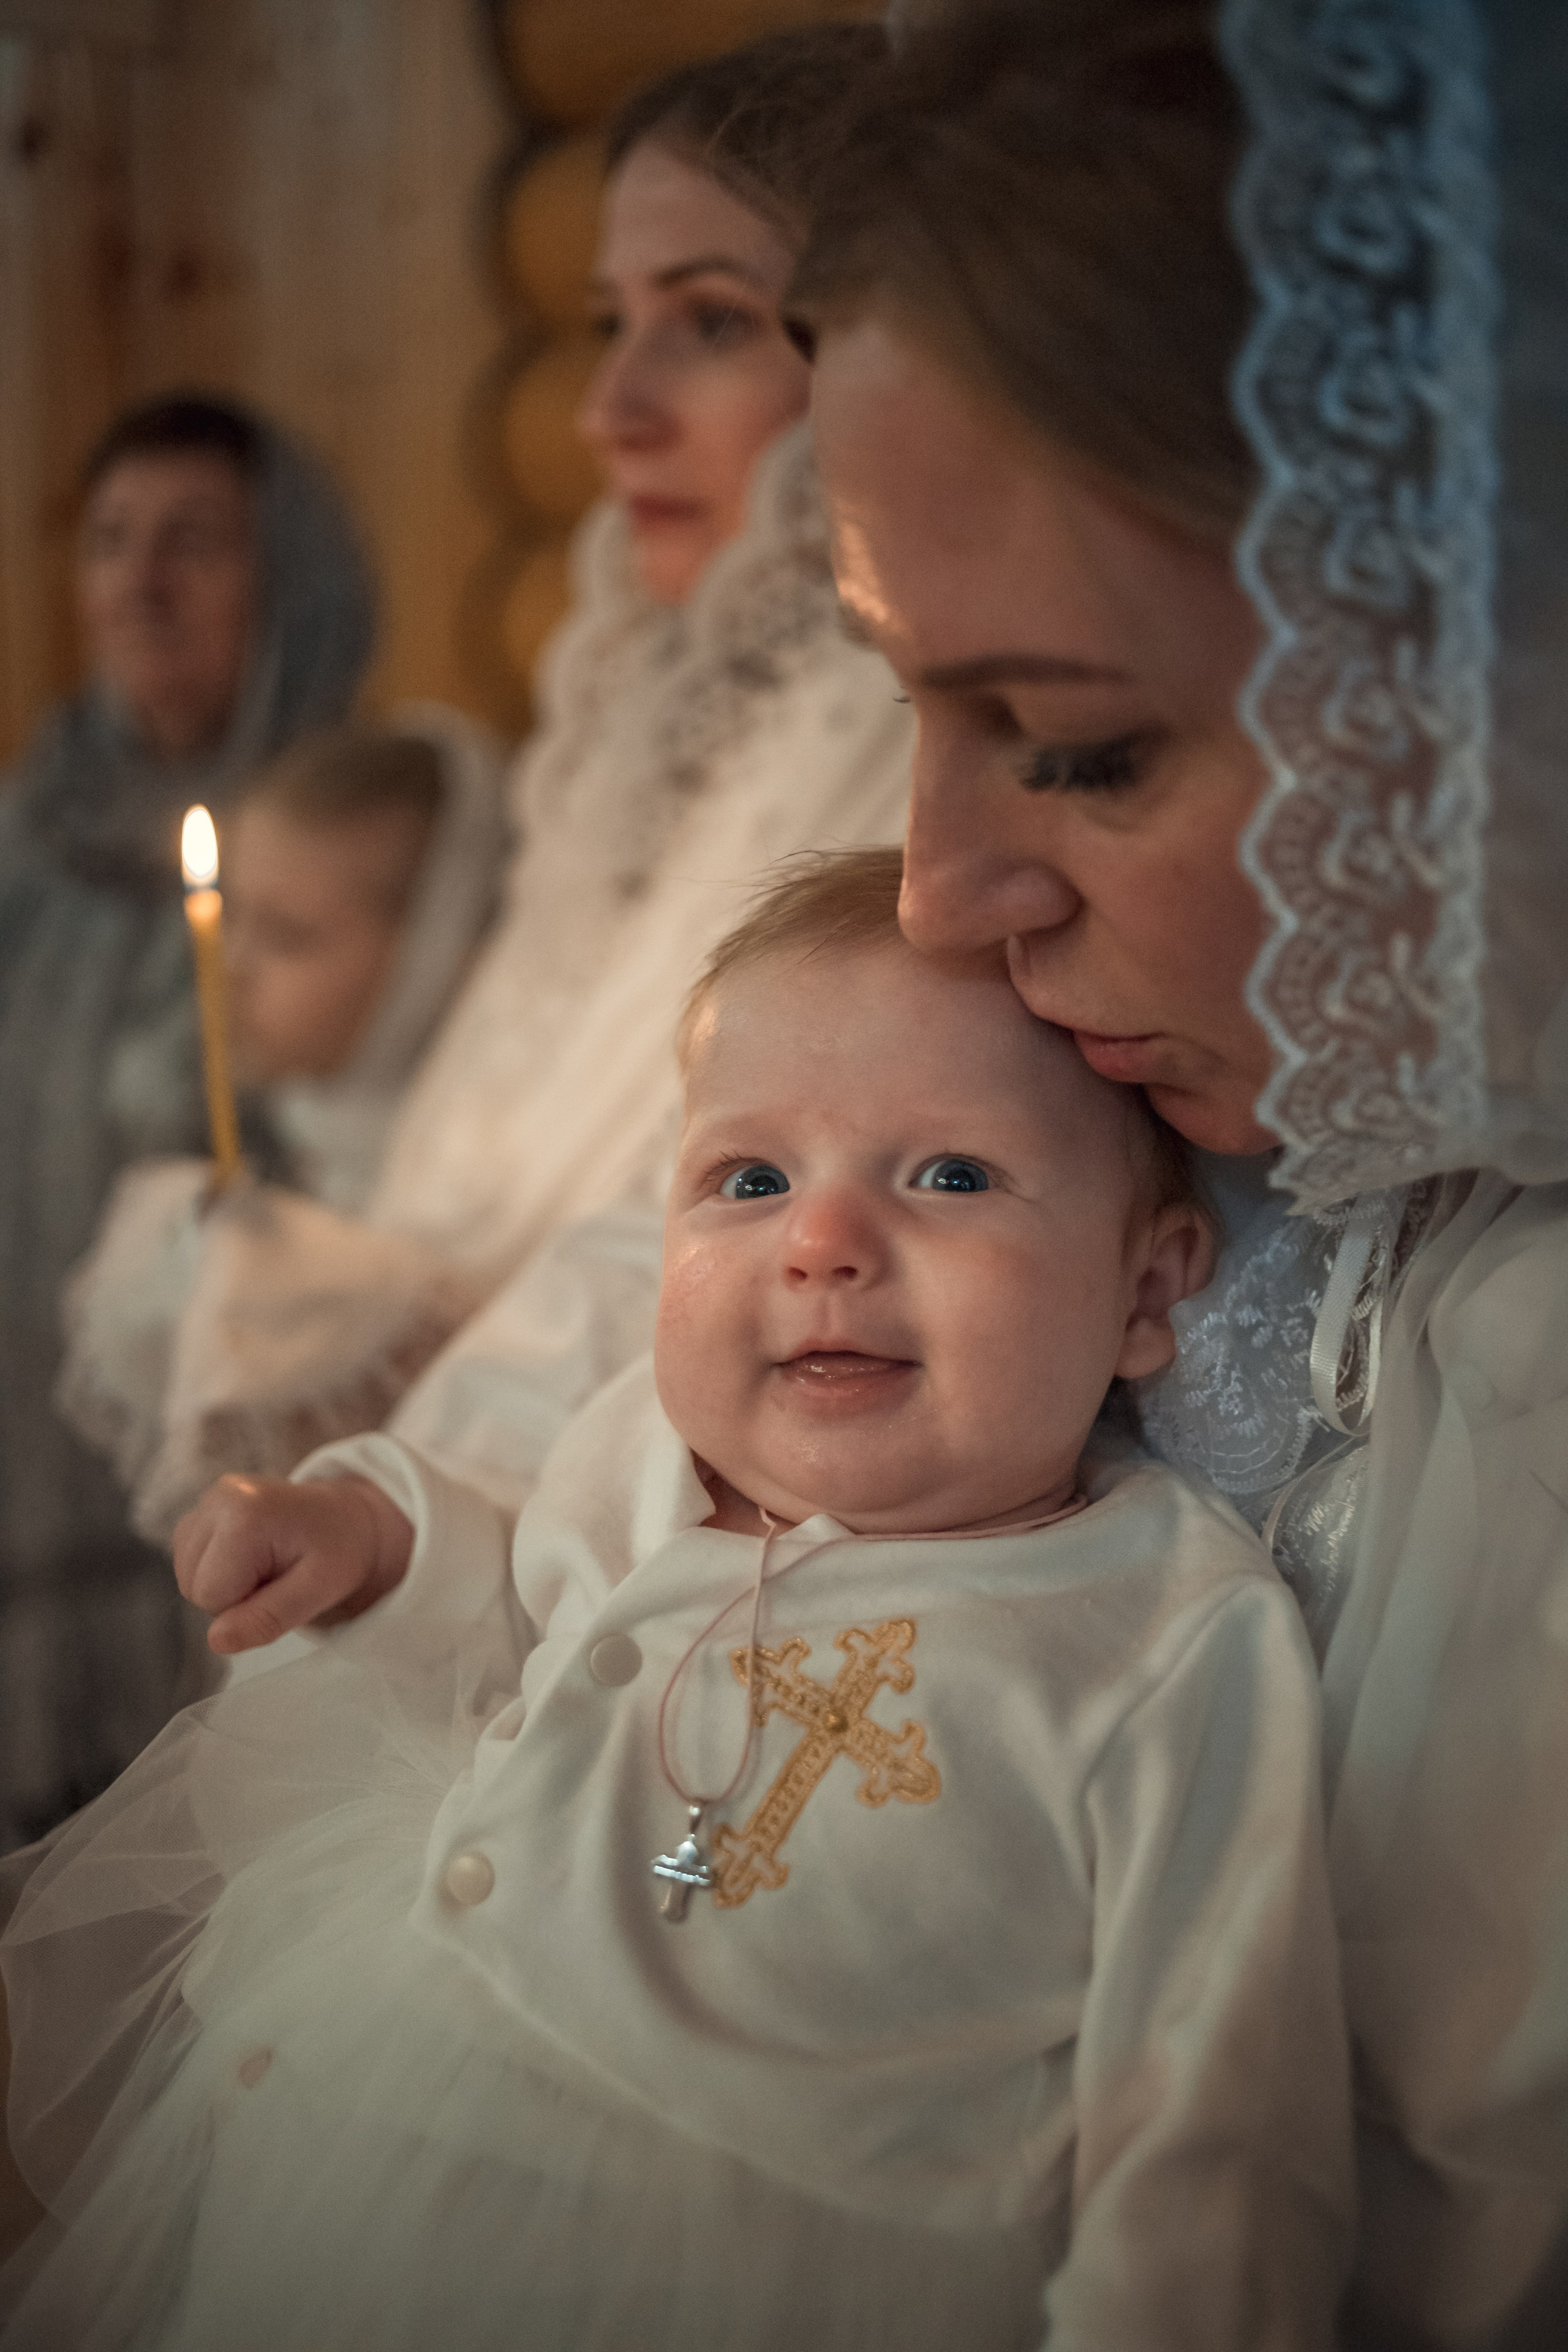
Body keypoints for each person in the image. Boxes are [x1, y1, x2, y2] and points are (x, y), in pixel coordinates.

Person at [0, 850, 1351, 2349]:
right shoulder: (643, 1453)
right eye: (750, 1181)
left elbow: (1216, 2096)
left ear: (1146, 1290)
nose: (819, 1245)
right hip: (364, 2134)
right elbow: (510, 1614)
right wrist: (374, 1544)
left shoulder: (1161, 1627)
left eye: (949, 1176)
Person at [790, 4, 1568, 2345]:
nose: (937, 897)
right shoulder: (1168, 1117)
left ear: (1485, 680)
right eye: (911, 707)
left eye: (1076, 745)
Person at [94, 26, 913, 1532]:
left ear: (884, 342)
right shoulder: (645, 751)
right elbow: (491, 1189)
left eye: (712, 321)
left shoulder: (920, 771)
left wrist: (416, 1382)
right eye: (608, 324)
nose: (608, 409)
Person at [0, 396, 375, 1852]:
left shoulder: (356, 845)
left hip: (246, 1457)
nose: (142, 583)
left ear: (288, 578)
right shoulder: (25, 845)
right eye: (110, 542)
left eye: (196, 542)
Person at [53, 714, 506, 1547]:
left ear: (433, 947)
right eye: (231, 918)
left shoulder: (492, 1175)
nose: (231, 970)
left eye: (289, 936)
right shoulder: (270, 1116)